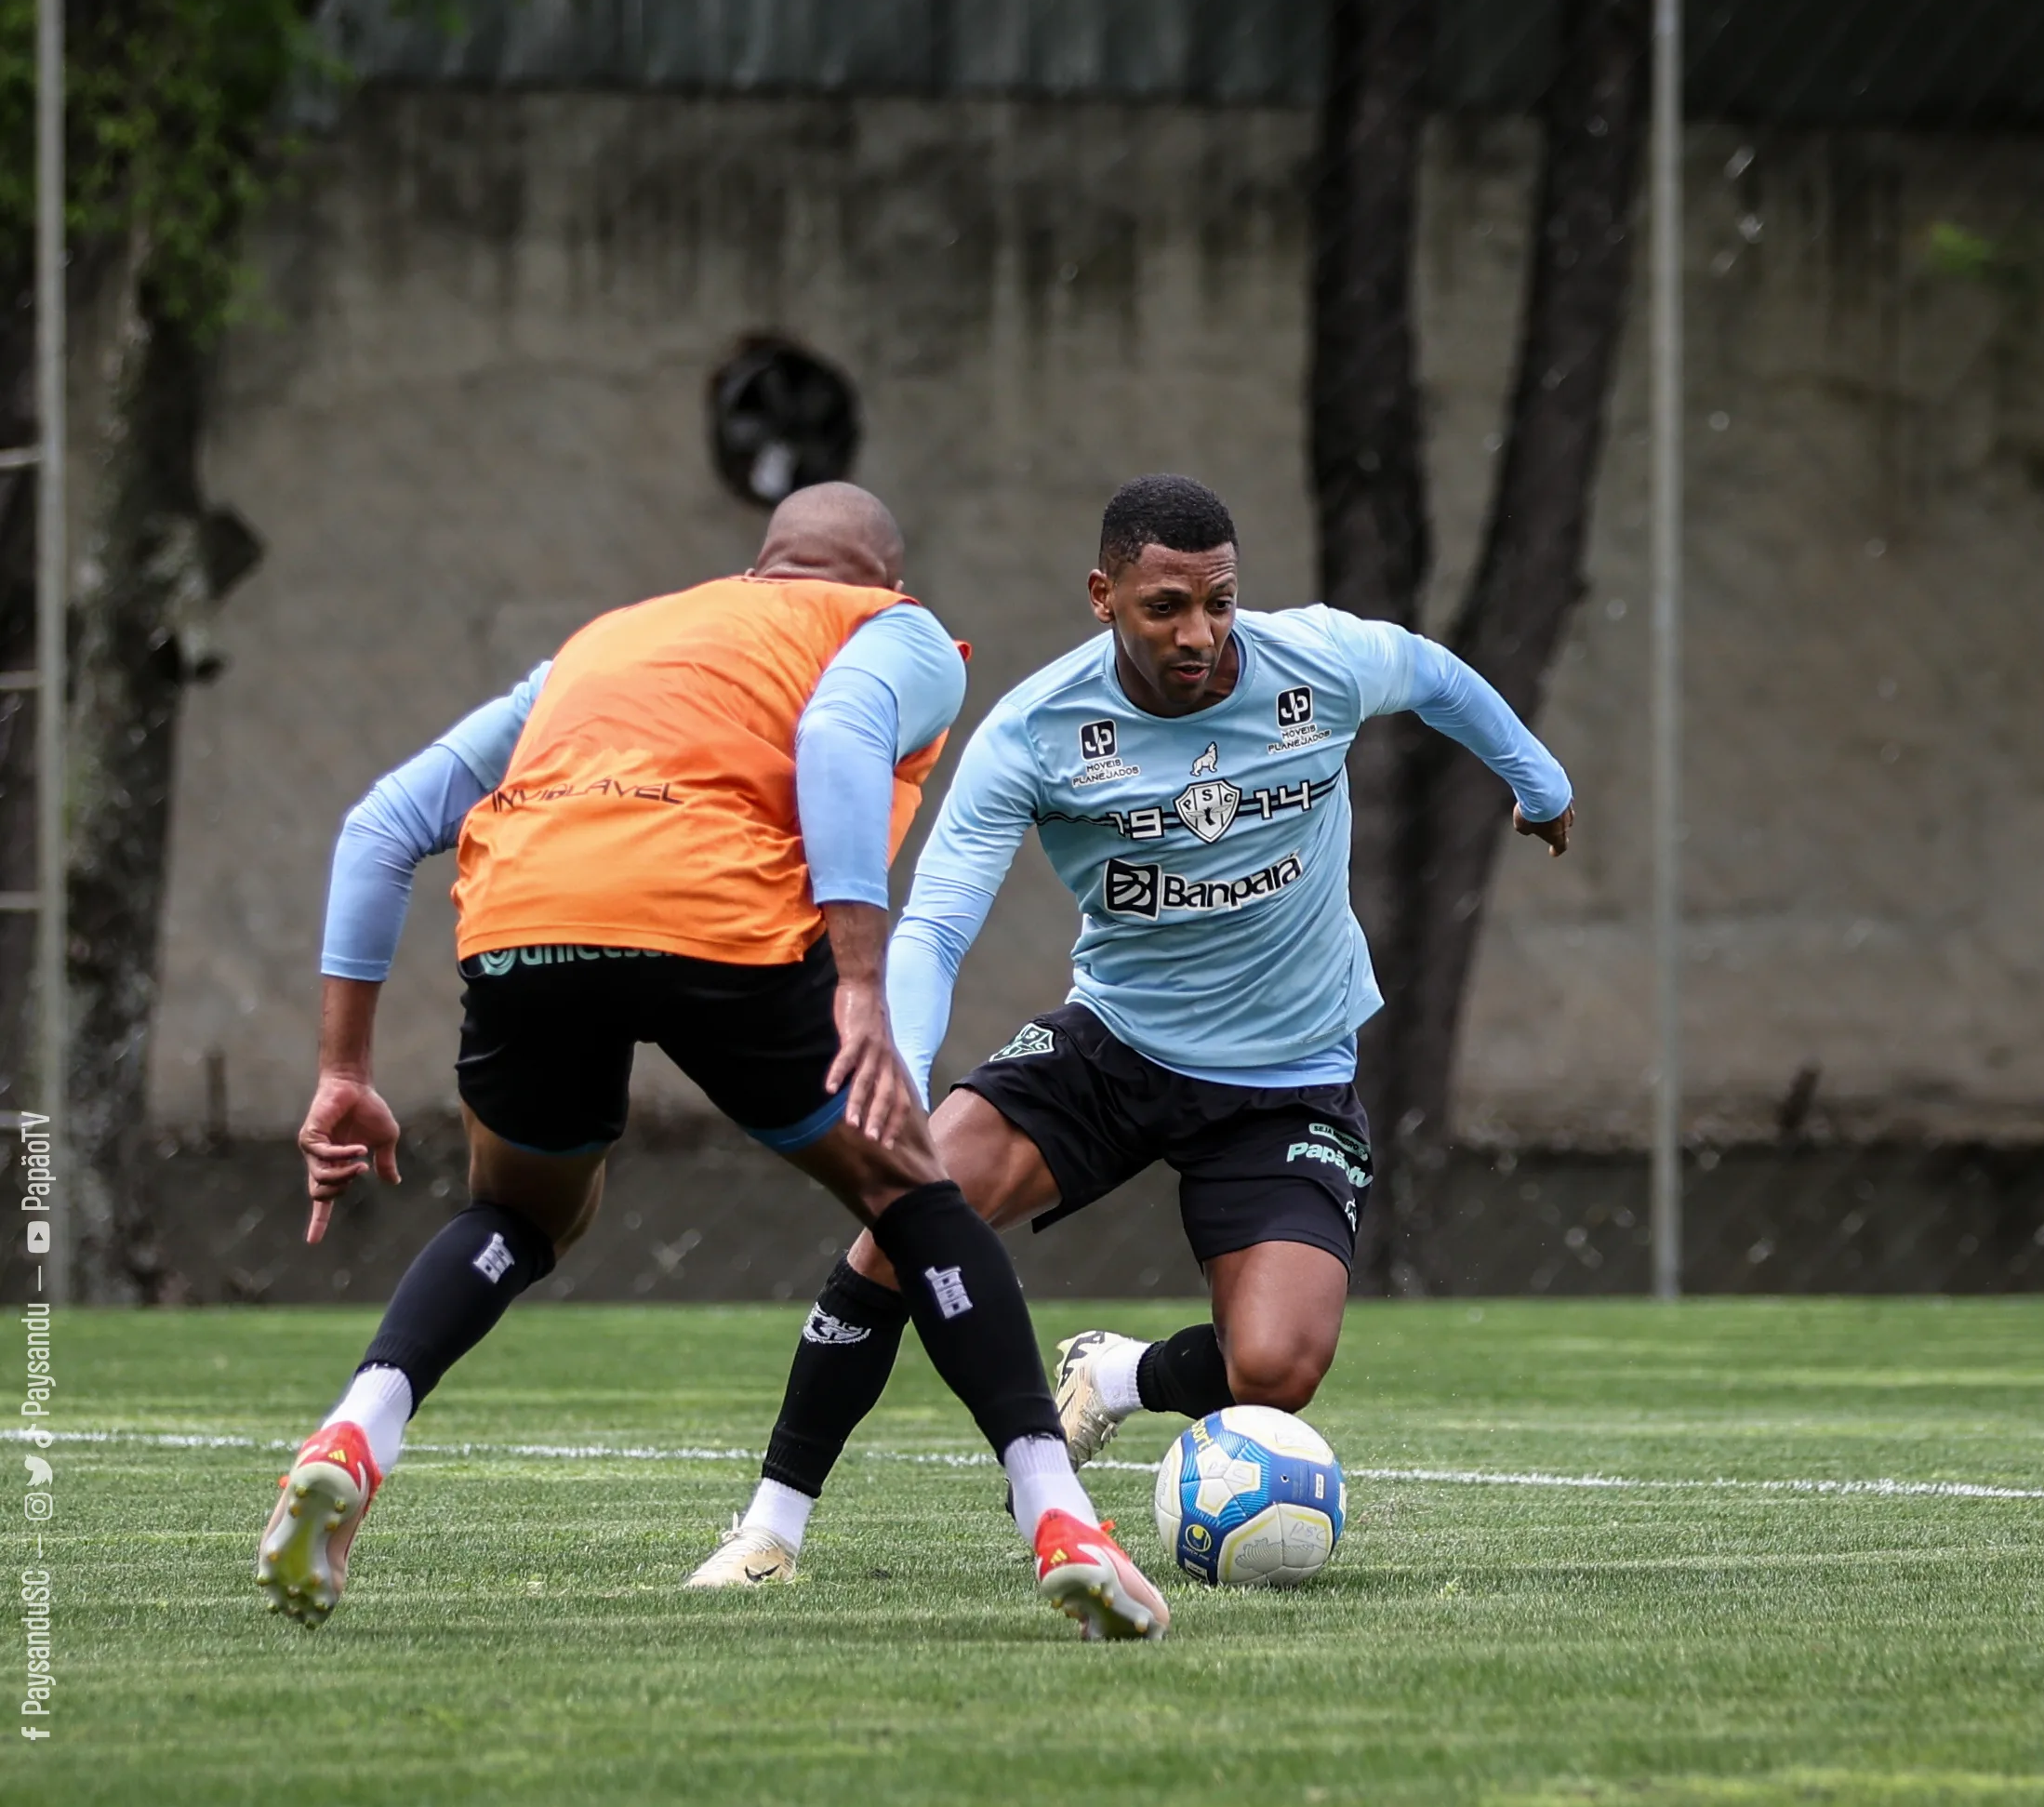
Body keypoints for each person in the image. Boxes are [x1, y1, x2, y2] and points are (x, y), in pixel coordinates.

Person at [256, 483, 1170, 1643]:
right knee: (908, 1193)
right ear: (884, 578)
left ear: (757, 568)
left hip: (527, 919)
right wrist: (854, 979)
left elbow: (382, 824)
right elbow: (838, 734)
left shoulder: (604, 645)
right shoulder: (896, 632)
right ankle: (1058, 1512)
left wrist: (344, 1069)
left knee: (523, 1214)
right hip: (714, 922)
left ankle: (354, 1434)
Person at [691, 473, 1573, 1588]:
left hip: (1290, 1076)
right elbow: (938, 923)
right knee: (900, 1222)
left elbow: (1434, 673)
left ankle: (1119, 1380)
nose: (1198, 633)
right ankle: (771, 1530)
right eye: (1165, 607)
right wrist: (901, 1080)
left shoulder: (1319, 662)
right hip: (1114, 1051)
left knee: (1277, 1367)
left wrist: (1537, 783)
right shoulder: (1035, 727)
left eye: (1218, 601)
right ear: (1103, 596)